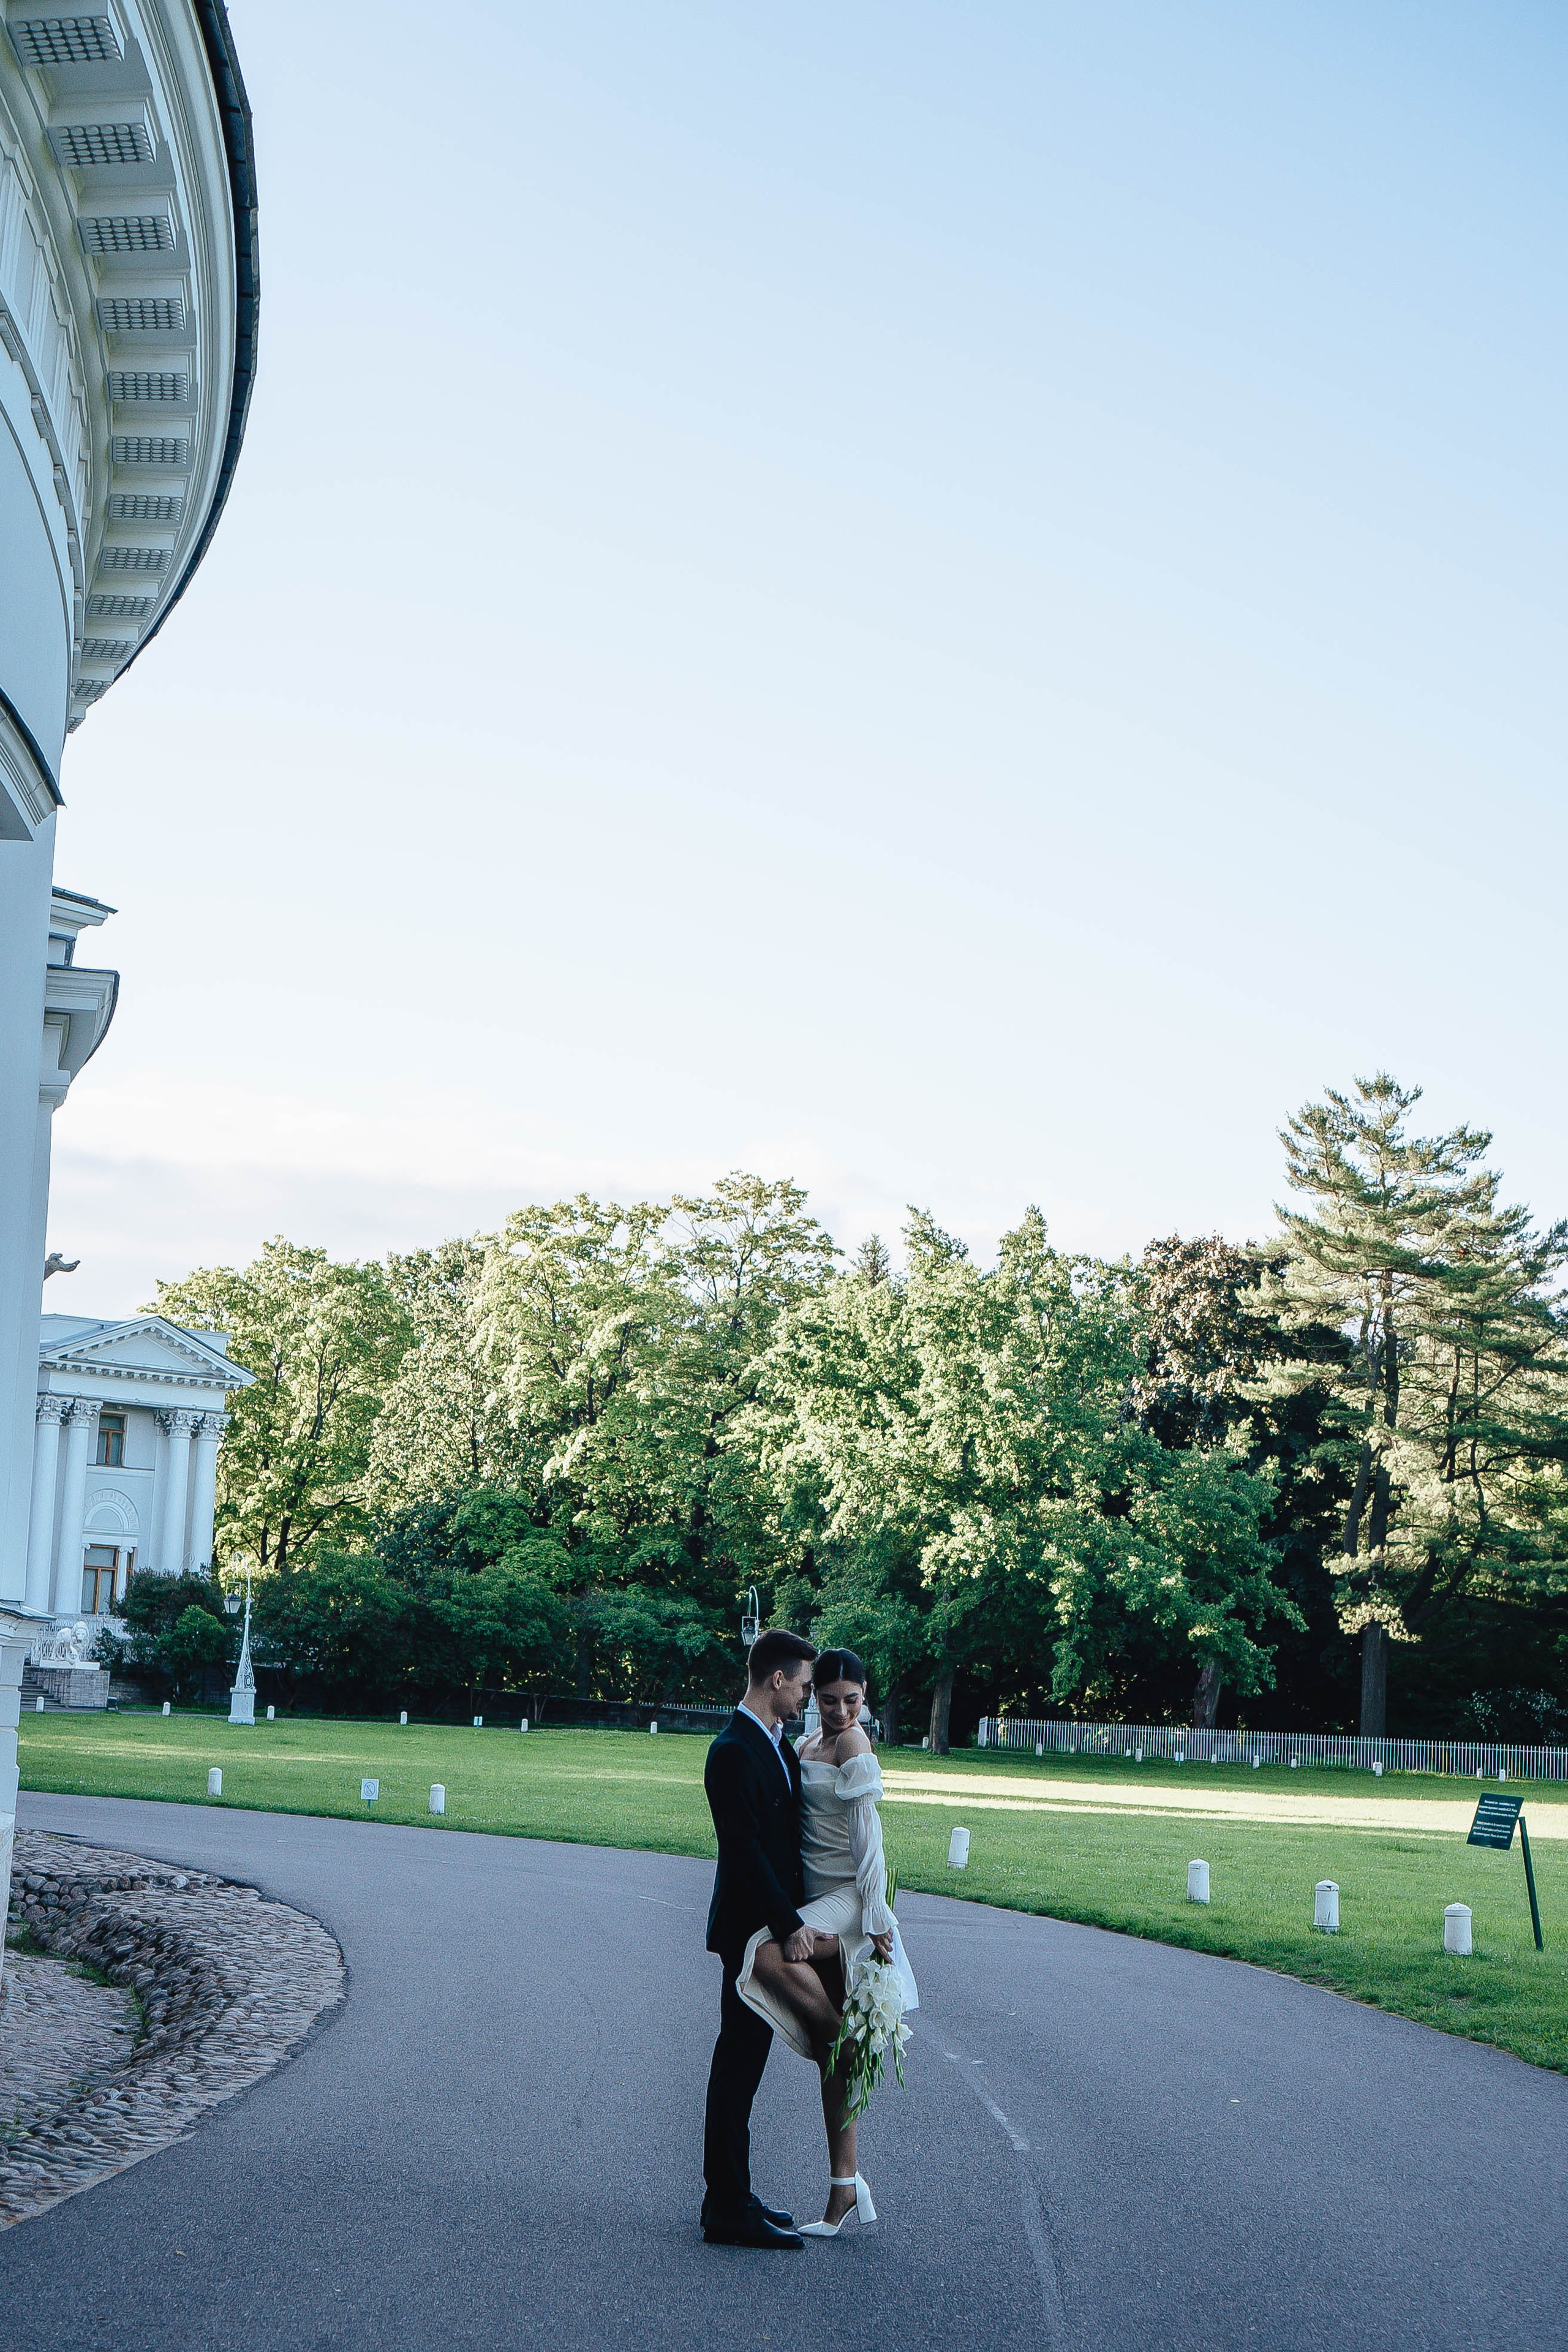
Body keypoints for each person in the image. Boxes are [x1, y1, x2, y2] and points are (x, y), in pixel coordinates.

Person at [737, 1648, 919, 2237]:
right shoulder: (807, 1743)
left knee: (765, 1952)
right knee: (828, 2054)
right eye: (830, 1700)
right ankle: (844, 2186)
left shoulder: (854, 1744)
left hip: (847, 1898)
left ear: (865, 1698)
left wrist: (876, 1913)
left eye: (853, 1701)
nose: (841, 1712)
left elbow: (868, 1836)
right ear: (813, 1697)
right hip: (812, 1895)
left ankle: (839, 2035)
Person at [700, 1627, 818, 2250]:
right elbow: (744, 1852)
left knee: (745, 2065)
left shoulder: (776, 1744)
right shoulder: (731, 1751)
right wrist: (790, 1926)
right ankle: (725, 2207)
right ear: (777, 1679)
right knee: (737, 2066)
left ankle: (733, 2195)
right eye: (802, 1686)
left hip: (767, 1927)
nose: (805, 1697)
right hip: (749, 1933)